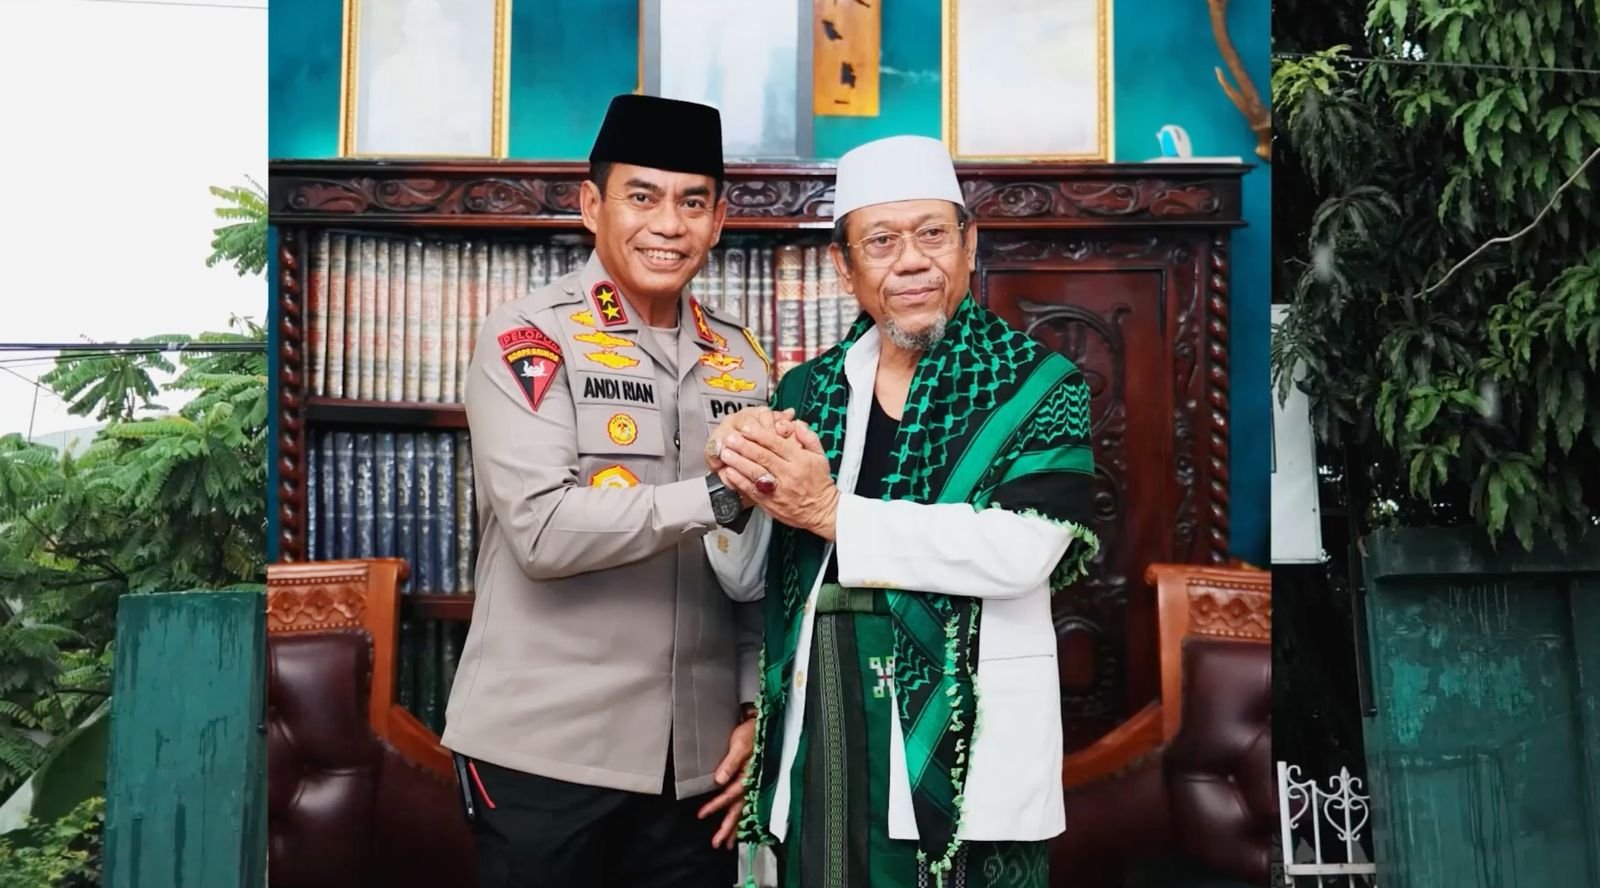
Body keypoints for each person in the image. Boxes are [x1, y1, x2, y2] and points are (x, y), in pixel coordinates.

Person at [703, 135, 1102, 887]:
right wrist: (735, 479)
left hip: (966, 741)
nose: (912, 261)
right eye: (882, 242)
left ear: (969, 245)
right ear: (844, 266)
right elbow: (753, 580)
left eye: (932, 235)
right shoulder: (806, 391)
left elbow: (1024, 551)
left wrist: (829, 511)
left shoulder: (1040, 386)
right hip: (822, 722)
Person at [443, 93, 783, 888]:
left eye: (692, 202)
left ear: (718, 220)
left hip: (697, 767)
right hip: (545, 752)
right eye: (642, 196)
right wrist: (717, 496)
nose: (668, 224)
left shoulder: (742, 359)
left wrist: (751, 707)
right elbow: (542, 531)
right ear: (592, 205)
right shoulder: (529, 335)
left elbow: (751, 566)